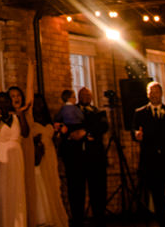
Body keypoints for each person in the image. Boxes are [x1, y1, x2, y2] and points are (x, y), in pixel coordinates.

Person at [132, 82, 165, 227]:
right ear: (147, 94)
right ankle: (163, 223)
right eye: (151, 91)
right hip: (151, 162)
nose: (153, 94)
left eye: (156, 91)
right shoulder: (140, 113)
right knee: (157, 196)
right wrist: (136, 134)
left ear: (161, 94)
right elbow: (134, 131)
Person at [59, 87, 107, 227]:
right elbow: (62, 126)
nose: (86, 97)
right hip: (75, 160)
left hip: (95, 159)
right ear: (78, 97)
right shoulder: (70, 111)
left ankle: (99, 219)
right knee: (75, 193)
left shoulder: (99, 112)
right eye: (82, 94)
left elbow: (103, 126)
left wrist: (85, 132)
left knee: (98, 192)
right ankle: (77, 220)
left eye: (88, 94)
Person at [0, 92, 29, 227]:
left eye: (6, 101)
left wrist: (20, 114)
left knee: (17, 190)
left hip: (16, 157)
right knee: (0, 192)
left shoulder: (16, 117)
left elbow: (26, 133)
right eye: (0, 102)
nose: (4, 105)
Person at [29, 93, 69, 227]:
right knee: (42, 185)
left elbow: (55, 141)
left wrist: (58, 134)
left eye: (41, 103)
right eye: (36, 103)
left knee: (53, 184)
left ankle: (55, 215)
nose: (39, 106)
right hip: (39, 155)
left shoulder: (48, 120)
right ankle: (44, 216)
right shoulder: (30, 121)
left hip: (51, 153)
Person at [7, 86, 38, 222]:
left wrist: (20, 114)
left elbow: (25, 133)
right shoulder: (4, 115)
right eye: (13, 96)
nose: (16, 98)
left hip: (20, 153)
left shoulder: (21, 115)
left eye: (18, 95)